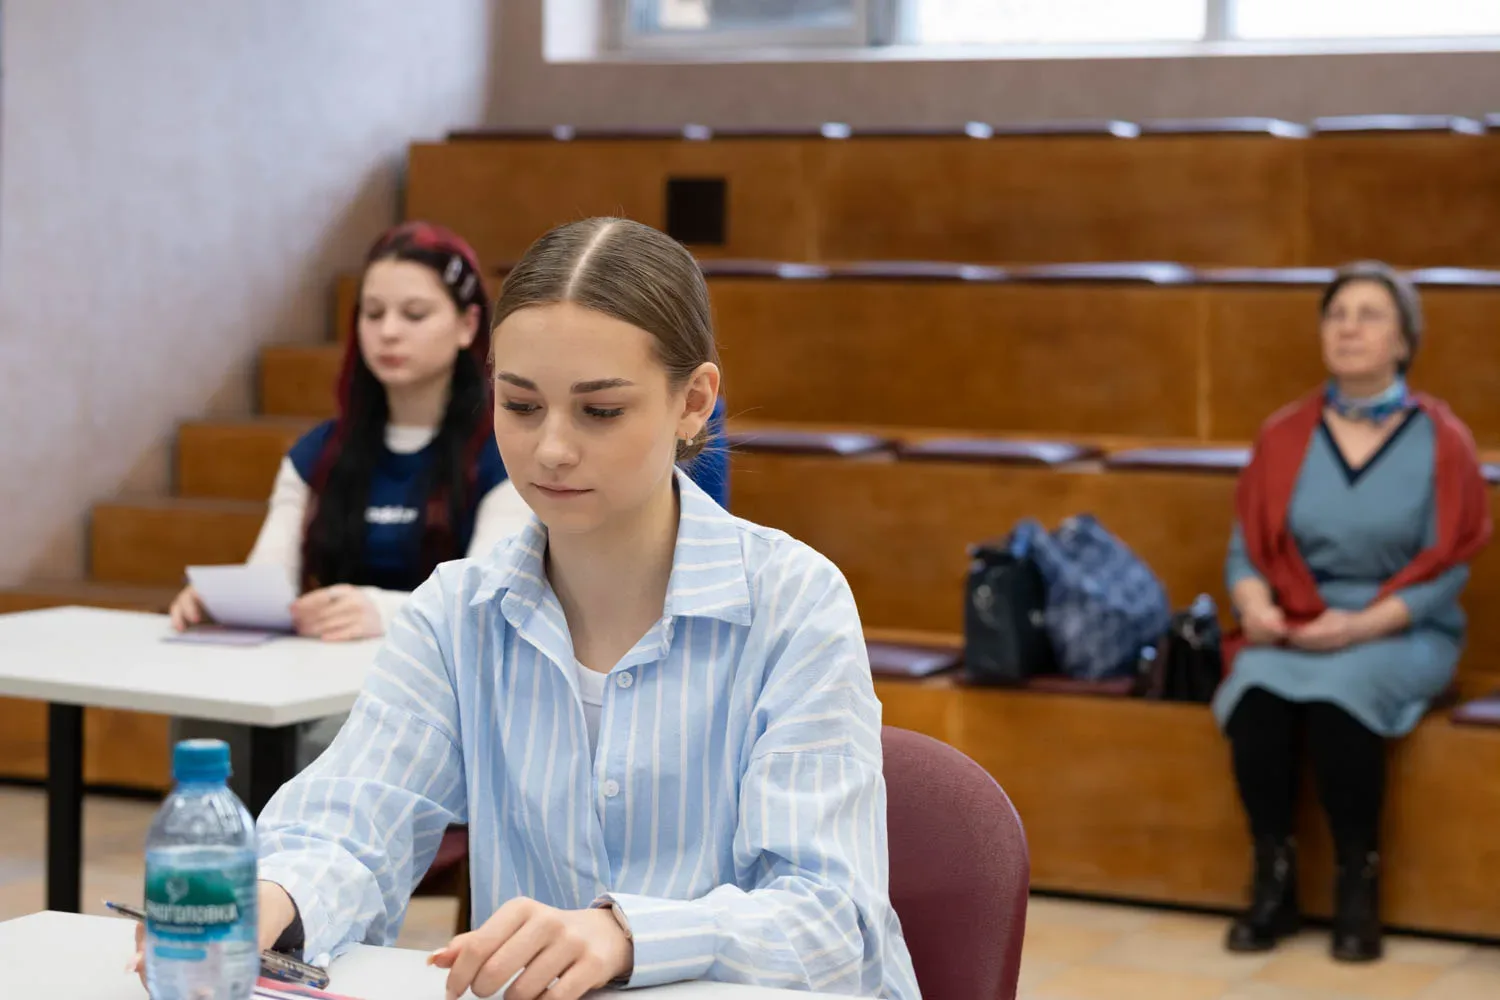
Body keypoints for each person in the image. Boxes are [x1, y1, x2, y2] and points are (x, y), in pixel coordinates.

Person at [134, 217, 919, 1000]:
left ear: (693, 403)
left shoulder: (794, 603)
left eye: (600, 411)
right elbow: (352, 821)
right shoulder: (457, 613)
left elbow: (830, 924)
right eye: (519, 405)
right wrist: (270, 898)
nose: (551, 449)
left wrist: (626, 935)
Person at [166, 221, 732, 771]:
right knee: (214, 725)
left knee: (334, 736)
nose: (389, 332)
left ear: (467, 325)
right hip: (354, 673)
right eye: (373, 313)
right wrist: (225, 603)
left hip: (409, 680)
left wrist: (378, 609)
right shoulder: (322, 452)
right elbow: (271, 582)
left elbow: (488, 592)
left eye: (414, 314)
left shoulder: (496, 472)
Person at [1214, 261, 1490, 962]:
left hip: (1401, 627)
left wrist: (1359, 627)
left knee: (1343, 701)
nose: (1348, 328)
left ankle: (1356, 887)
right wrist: (1255, 605)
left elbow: (1448, 570)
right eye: (1336, 315)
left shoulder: (1443, 440)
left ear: (1404, 341)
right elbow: (1248, 551)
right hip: (1299, 622)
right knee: (1255, 696)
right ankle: (1273, 882)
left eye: (1369, 315)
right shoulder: (1283, 434)